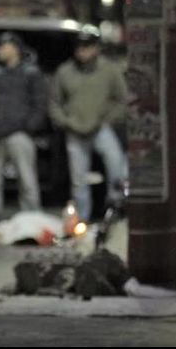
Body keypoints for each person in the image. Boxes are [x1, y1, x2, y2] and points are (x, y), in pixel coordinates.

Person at [49, 26, 128, 221]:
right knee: (79, 180)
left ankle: (114, 214)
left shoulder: (109, 69)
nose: (82, 51)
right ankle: (82, 220)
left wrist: (108, 118)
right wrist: (65, 121)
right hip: (74, 129)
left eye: (87, 46)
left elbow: (122, 99)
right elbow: (54, 102)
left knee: (116, 168)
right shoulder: (65, 71)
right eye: (80, 47)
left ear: (96, 48)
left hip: (101, 127)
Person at [0, 32, 47, 220]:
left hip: (19, 132)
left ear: (15, 49)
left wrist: (29, 126)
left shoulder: (31, 72)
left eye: (3, 46)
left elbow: (40, 102)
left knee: (26, 178)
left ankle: (32, 218)